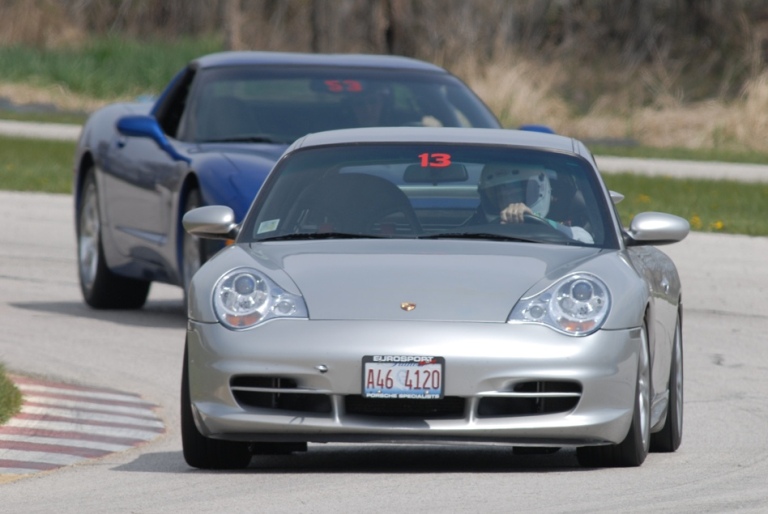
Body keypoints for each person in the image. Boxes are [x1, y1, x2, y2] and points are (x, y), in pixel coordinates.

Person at [474, 163, 594, 244]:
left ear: (541, 189)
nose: (511, 204)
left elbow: (585, 240)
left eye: (517, 193)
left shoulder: (573, 235)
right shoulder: (475, 235)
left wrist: (535, 220)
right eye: (500, 195)